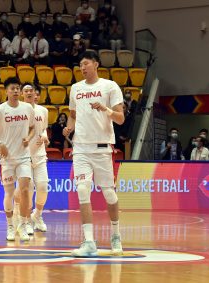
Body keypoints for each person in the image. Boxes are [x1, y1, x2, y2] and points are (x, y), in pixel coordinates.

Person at [63, 51, 125, 256]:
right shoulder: (75, 88)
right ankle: (89, 242)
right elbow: (73, 114)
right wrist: (69, 127)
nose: (82, 67)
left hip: (102, 147)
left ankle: (115, 234)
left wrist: (105, 109)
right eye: (80, 64)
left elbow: (120, 119)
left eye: (86, 63)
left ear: (96, 64)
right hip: (80, 147)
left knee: (109, 194)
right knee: (82, 190)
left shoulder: (109, 86)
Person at [0, 77, 35, 241]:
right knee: (9, 193)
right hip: (6, 159)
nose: (15, 91)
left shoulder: (27, 108)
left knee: (25, 189)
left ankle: (23, 223)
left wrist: (28, 137)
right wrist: (0, 143)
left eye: (17, 88)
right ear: (6, 91)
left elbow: (33, 128)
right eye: (12, 88)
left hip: (23, 157)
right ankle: (10, 226)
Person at [13, 83, 49, 235]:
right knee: (28, 190)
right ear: (22, 94)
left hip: (40, 155)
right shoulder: (17, 111)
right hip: (23, 156)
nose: (28, 93)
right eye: (25, 91)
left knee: (42, 188)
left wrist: (45, 136)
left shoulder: (43, 111)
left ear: (35, 94)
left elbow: (44, 129)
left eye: (31, 90)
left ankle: (37, 215)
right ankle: (25, 221)